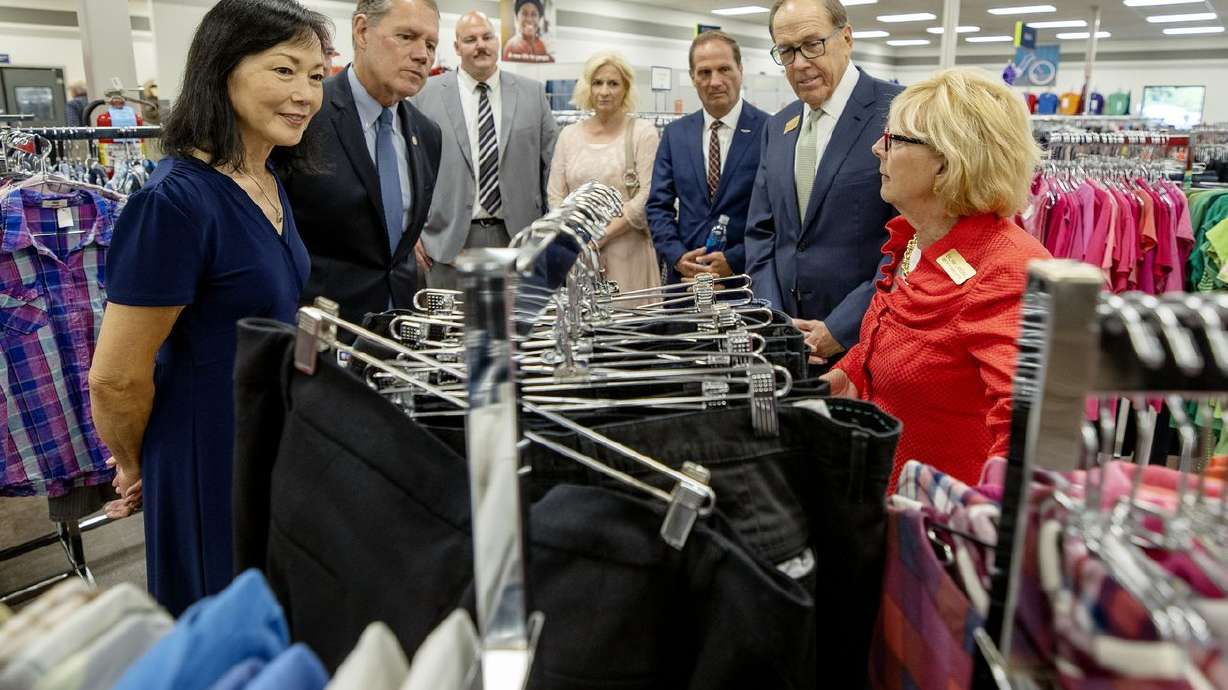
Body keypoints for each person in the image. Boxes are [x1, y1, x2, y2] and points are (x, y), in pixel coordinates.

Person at [88, 0, 329, 615]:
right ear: (222, 70)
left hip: (263, 438)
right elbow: (115, 377)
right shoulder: (174, 203)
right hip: (206, 452)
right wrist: (135, 464)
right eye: (284, 70)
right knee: (218, 617)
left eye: (316, 75)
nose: (304, 92)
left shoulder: (266, 180)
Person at [823, 68, 1052, 488]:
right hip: (883, 494)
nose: (877, 148)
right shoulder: (916, 238)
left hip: (941, 529)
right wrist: (846, 376)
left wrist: (979, 527)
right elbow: (892, 341)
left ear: (947, 160)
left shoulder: (1009, 269)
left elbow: (1025, 436)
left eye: (893, 139)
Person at [745, 0, 901, 368]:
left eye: (813, 44)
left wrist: (842, 327)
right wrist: (772, 317)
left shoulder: (898, 112)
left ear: (846, 38)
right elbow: (761, 232)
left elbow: (911, 242)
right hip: (786, 344)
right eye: (786, 51)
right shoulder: (778, 127)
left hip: (865, 345)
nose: (799, 63)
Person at [282, 0, 443, 325]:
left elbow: (396, 249)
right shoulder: (305, 115)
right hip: (320, 339)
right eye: (406, 37)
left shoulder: (427, 134)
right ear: (361, 31)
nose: (422, 55)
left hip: (398, 333)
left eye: (430, 44)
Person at [414, 10, 558, 290]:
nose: (480, 45)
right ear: (456, 47)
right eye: (470, 39)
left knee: (517, 330)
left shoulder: (533, 94)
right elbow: (411, 171)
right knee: (452, 331)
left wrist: (552, 231)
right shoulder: (424, 96)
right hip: (447, 243)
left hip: (520, 239)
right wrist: (414, 232)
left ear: (497, 42)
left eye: (487, 37)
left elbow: (551, 167)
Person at [647, 30, 767, 284]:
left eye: (724, 69)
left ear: (740, 70)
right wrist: (678, 257)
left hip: (746, 279)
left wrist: (735, 259)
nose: (715, 81)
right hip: (685, 281)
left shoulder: (770, 130)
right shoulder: (675, 134)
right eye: (704, 72)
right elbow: (658, 206)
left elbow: (779, 215)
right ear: (692, 77)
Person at [548, 52, 660, 294]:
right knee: (585, 326)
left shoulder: (643, 133)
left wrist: (600, 236)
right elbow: (556, 195)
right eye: (597, 83)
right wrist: (577, 236)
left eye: (613, 83)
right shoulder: (568, 135)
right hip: (580, 255)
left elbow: (647, 195)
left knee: (631, 327)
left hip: (629, 254)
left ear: (626, 88)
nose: (604, 91)